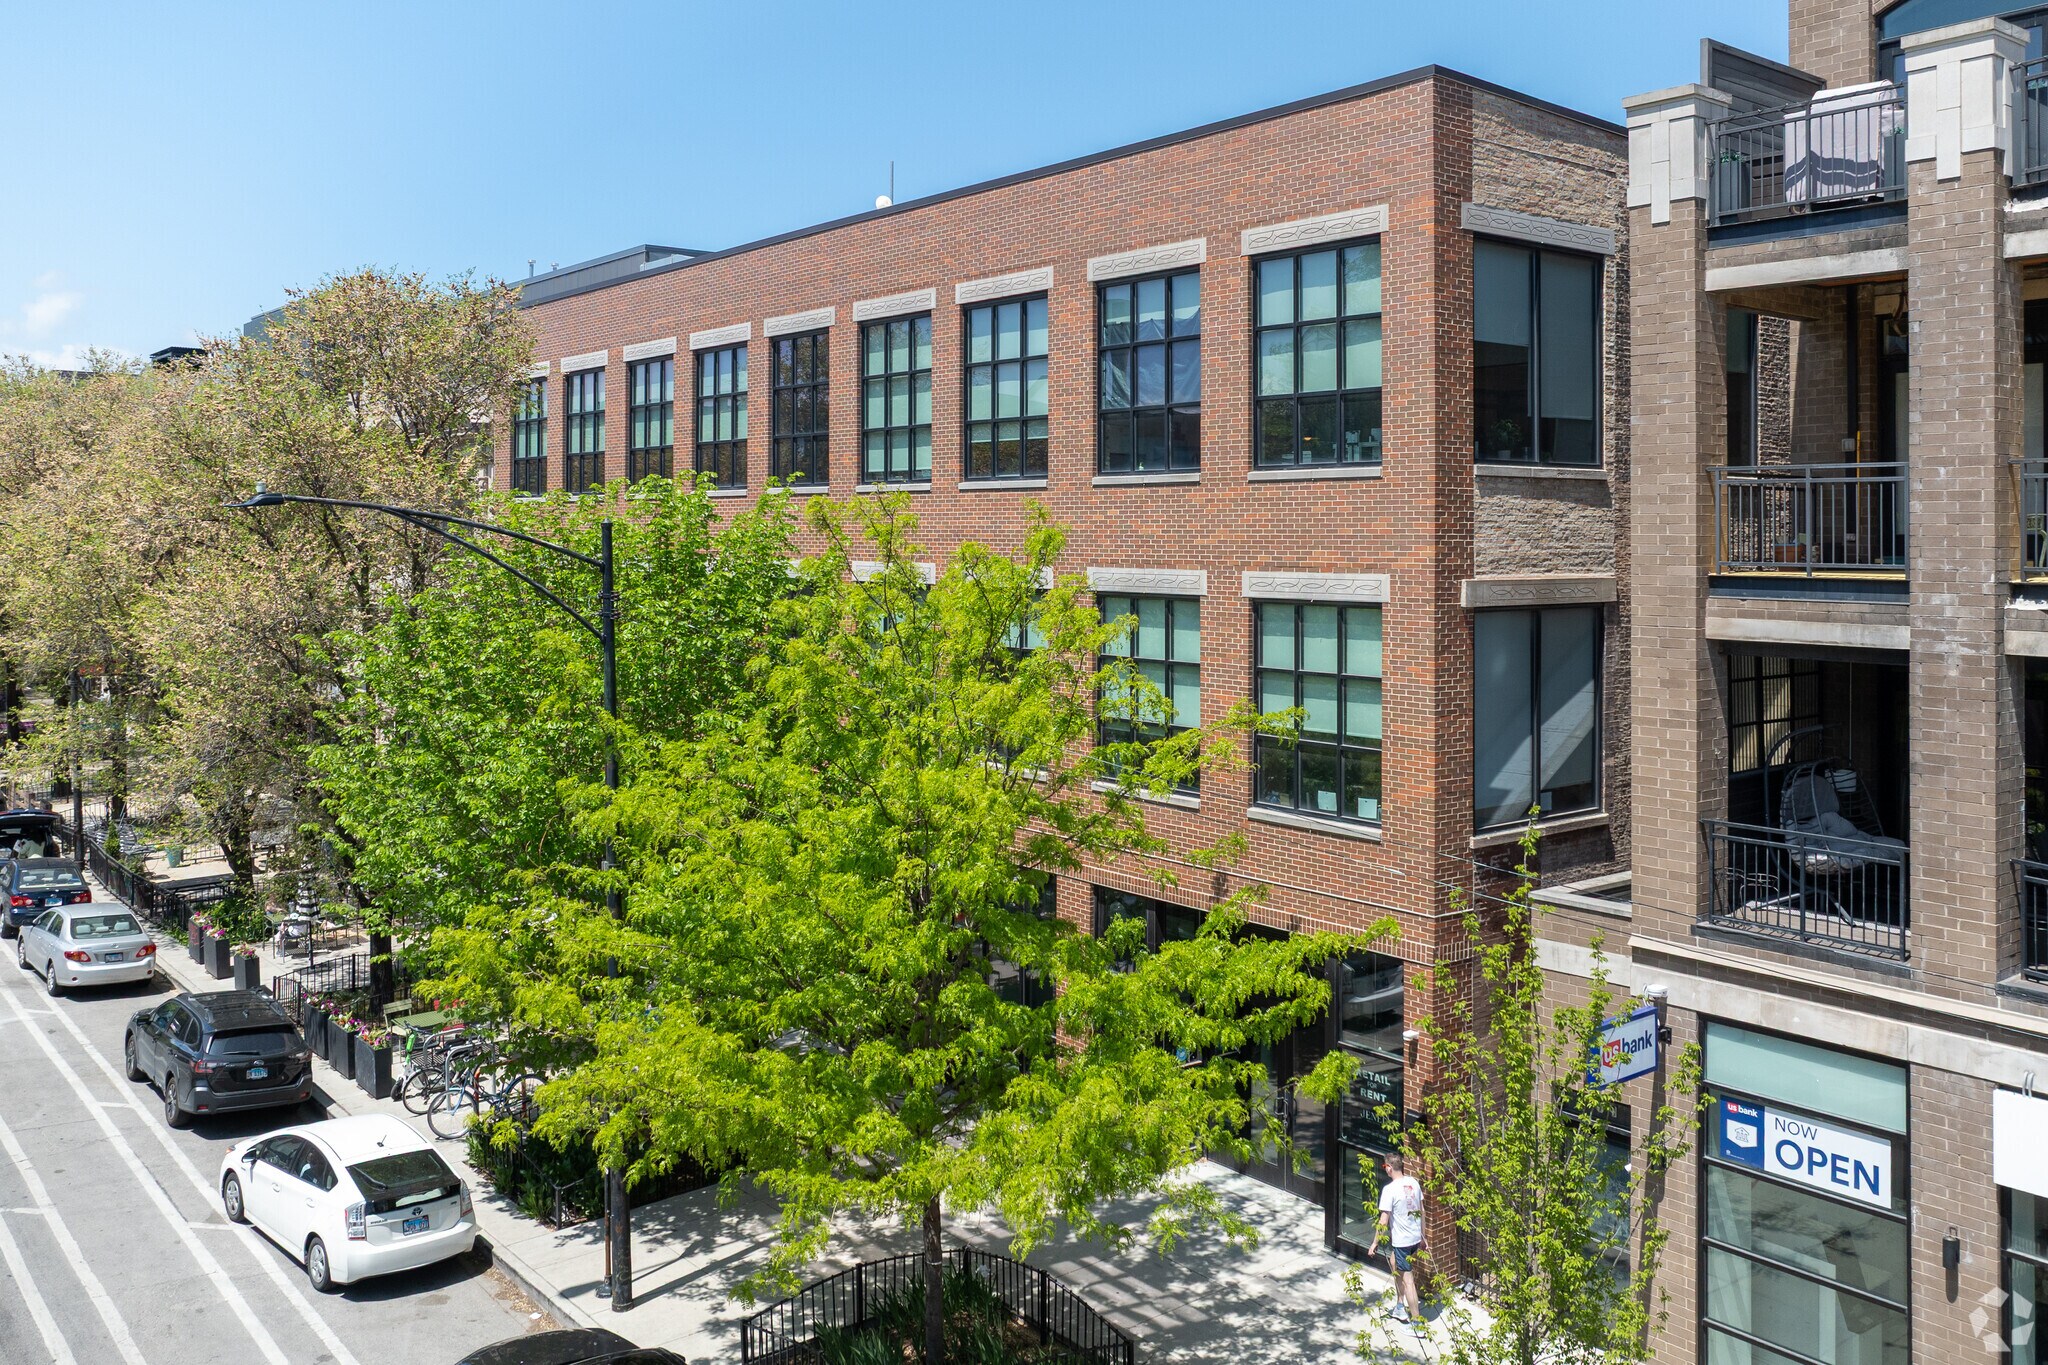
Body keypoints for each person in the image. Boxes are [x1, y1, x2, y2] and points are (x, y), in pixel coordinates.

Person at [1367, 1152, 1426, 1325]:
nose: (1385, 1170)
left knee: (1409, 1281)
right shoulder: (1413, 1183)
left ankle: (1417, 1322)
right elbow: (1422, 1211)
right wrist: (1423, 1237)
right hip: (1415, 1238)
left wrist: (1374, 1243)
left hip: (1402, 1241)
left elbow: (1383, 1220)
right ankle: (1400, 1306)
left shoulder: (1389, 1190)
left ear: (1390, 1168)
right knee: (1394, 1262)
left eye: (1385, 1167)